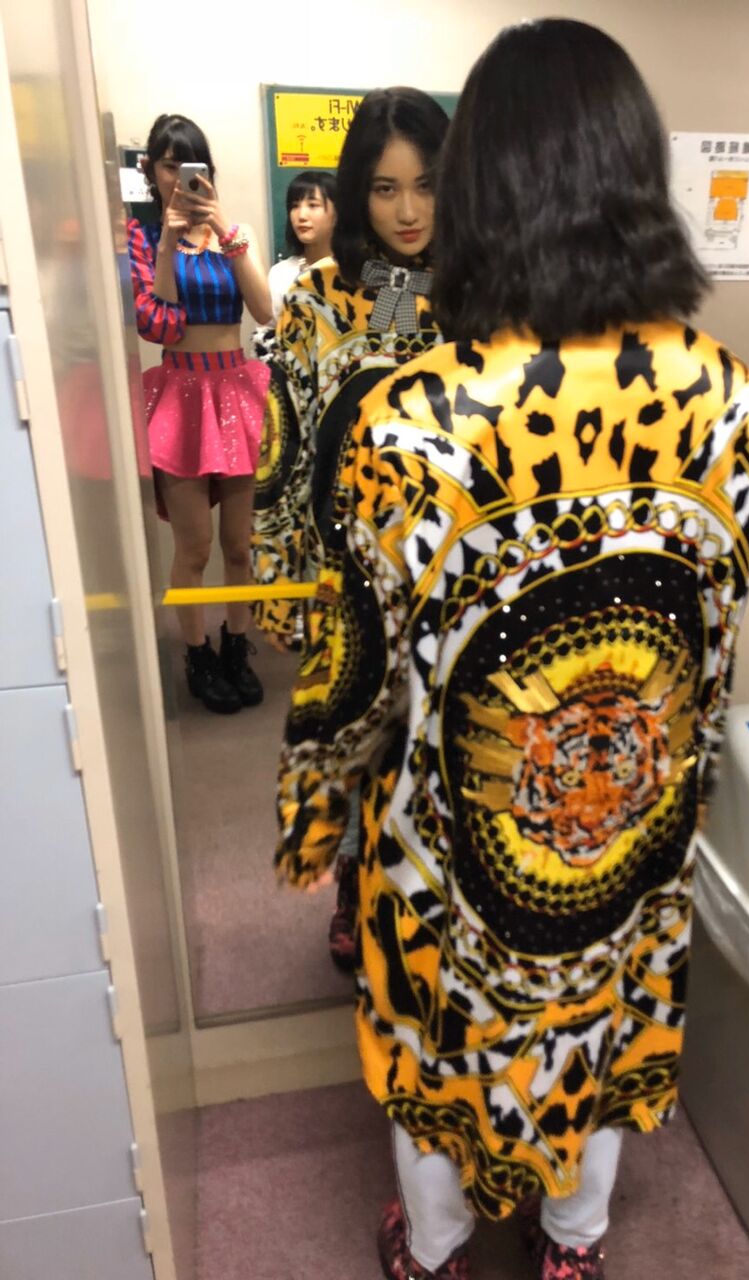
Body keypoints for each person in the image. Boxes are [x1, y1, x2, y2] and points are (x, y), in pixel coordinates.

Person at [272, 18, 749, 1280]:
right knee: (600, 1020)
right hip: (633, 817)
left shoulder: (413, 421)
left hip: (457, 842)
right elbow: (713, 645)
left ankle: (437, 1246)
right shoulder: (739, 404)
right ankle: (573, 1245)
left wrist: (313, 811)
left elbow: (355, 677)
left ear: (482, 190)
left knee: (441, 1039)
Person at [254, 89, 449, 970]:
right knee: (354, 738)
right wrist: (279, 575)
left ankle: (425, 900)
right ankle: (350, 887)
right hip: (346, 570)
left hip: (450, 571)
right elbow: (285, 443)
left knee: (433, 747)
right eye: (384, 188)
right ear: (355, 192)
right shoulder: (314, 301)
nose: (408, 211)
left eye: (426, 185)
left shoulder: (482, 300)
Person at [129, 113, 273, 714]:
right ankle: (197, 654)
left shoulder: (235, 233)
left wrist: (222, 228)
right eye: (169, 166)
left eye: (191, 166)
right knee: (193, 548)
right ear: (153, 170)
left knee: (239, 545)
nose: (180, 178)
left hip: (237, 390)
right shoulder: (141, 240)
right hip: (181, 393)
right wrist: (167, 242)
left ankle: (236, 645)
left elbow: (264, 310)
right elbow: (158, 321)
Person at [266, 169, 337, 321]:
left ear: (338, 213)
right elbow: (269, 330)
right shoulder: (281, 274)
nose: (301, 216)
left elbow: (378, 328)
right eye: (295, 206)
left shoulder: (360, 272)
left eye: (313, 205)